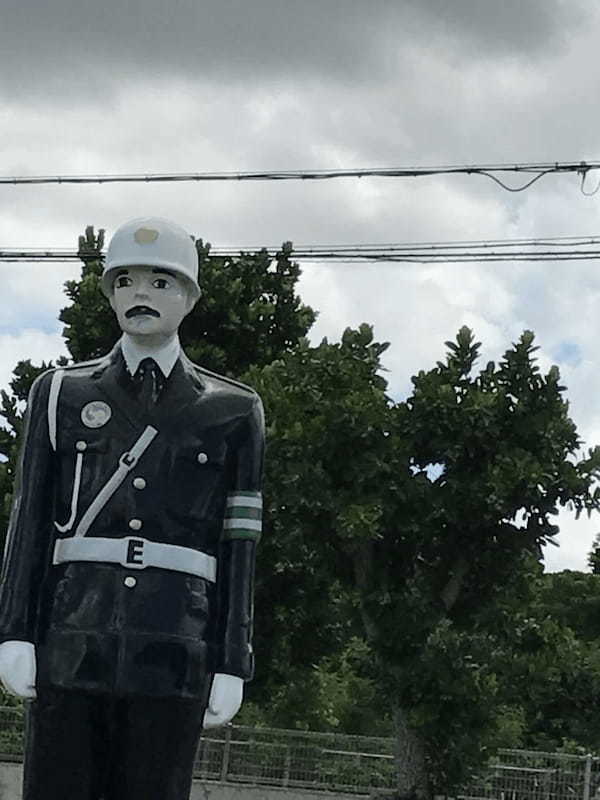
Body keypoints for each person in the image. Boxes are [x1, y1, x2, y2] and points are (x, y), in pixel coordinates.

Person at [0, 217, 265, 800]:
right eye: (125, 281)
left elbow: (239, 544)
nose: (140, 294)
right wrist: (13, 630)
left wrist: (232, 657)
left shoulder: (233, 409)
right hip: (71, 635)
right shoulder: (61, 393)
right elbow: (29, 521)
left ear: (190, 297)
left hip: (175, 645)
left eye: (160, 282)